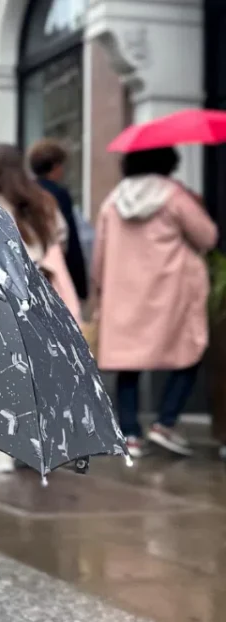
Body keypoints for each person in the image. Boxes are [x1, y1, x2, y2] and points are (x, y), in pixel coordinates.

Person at [92, 146, 218, 458]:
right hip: (170, 292)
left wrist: (101, 288)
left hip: (124, 293)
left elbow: (99, 256)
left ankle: (131, 435)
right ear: (168, 163)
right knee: (191, 352)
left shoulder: (112, 201)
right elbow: (207, 237)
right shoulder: (175, 196)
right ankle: (165, 423)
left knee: (127, 363)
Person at [0, 143, 82, 473]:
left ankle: (9, 446)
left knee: (6, 371)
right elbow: (59, 242)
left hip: (2, 295)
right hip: (43, 292)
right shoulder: (44, 202)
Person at [28, 138, 89, 301]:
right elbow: (71, 240)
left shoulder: (25, 193)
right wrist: (80, 286)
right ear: (55, 166)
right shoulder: (58, 195)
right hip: (56, 272)